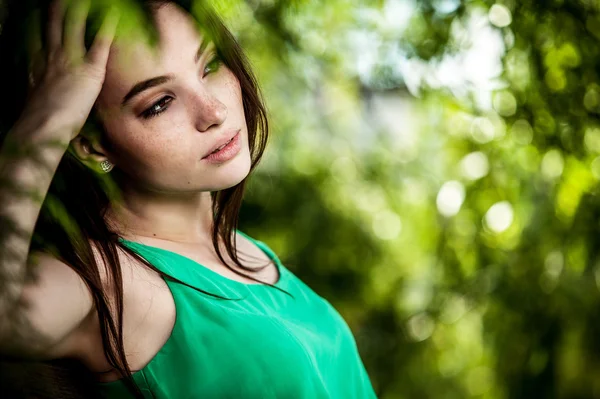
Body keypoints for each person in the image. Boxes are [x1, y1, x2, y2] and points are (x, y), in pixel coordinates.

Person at [0, 0, 378, 398]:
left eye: (210, 66)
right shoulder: (109, 282)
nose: (213, 112)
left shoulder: (246, 250)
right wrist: (47, 120)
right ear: (91, 145)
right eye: (159, 104)